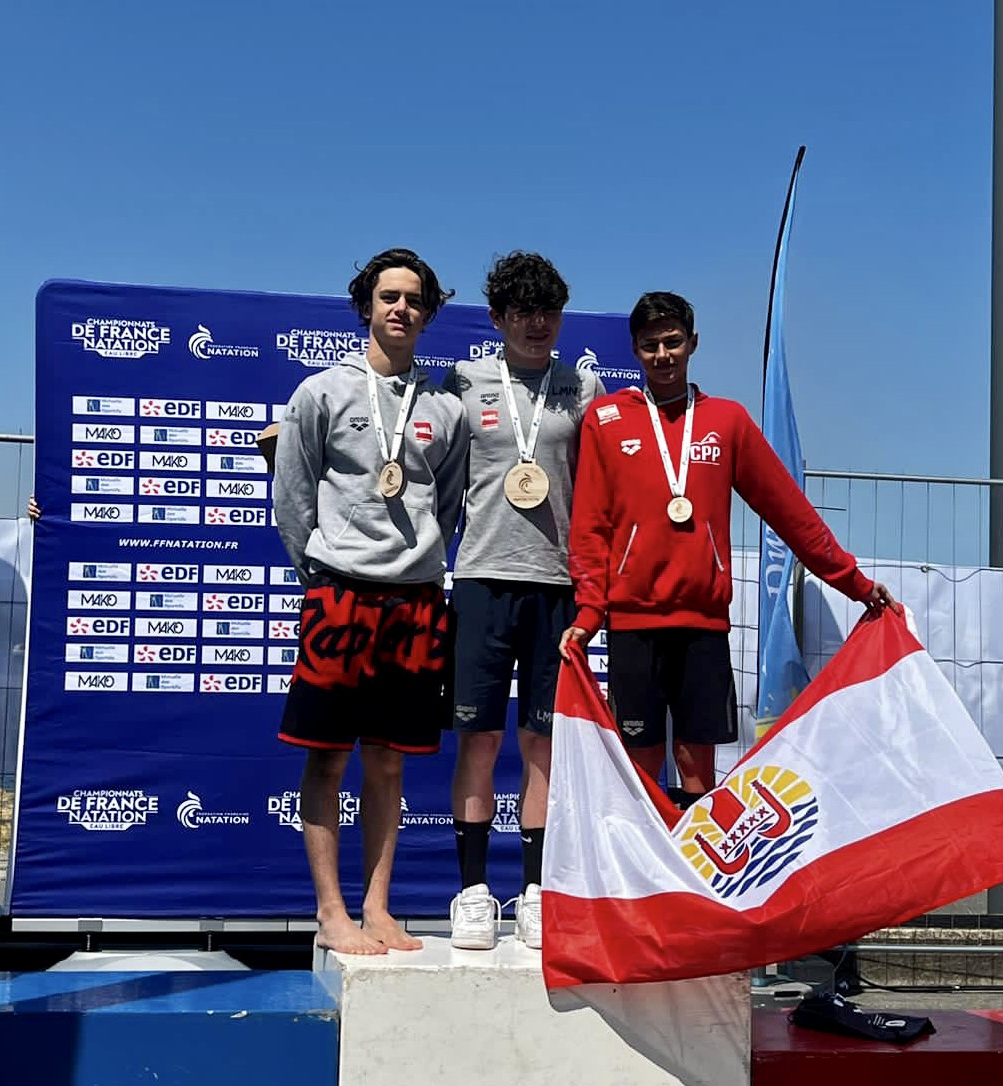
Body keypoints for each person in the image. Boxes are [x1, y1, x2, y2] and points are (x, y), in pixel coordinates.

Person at [562, 291, 891, 806]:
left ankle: (697, 883)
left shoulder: (727, 421)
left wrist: (853, 582)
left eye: (673, 342)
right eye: (650, 345)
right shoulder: (606, 420)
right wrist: (588, 610)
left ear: (693, 343)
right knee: (641, 771)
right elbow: (589, 528)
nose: (663, 355)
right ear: (634, 351)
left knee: (698, 774)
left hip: (702, 625)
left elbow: (791, 513)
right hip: (632, 623)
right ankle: (650, 885)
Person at [274, 247, 468, 956]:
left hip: (414, 601)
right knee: (326, 759)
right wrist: (324, 575)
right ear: (366, 305)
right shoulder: (321, 392)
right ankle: (332, 911)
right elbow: (293, 499)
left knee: (389, 763)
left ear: (427, 311)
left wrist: (416, 563)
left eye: (414, 299)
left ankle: (379, 907)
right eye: (388, 296)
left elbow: (445, 504)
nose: (401, 309)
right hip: (339, 598)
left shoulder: (444, 406)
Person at [442, 252, 604, 950]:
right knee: (478, 737)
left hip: (557, 584)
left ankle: (536, 889)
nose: (536, 324)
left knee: (543, 741)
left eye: (547, 311)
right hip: (481, 575)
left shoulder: (583, 387)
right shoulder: (465, 381)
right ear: (498, 318)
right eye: (520, 312)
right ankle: (474, 891)